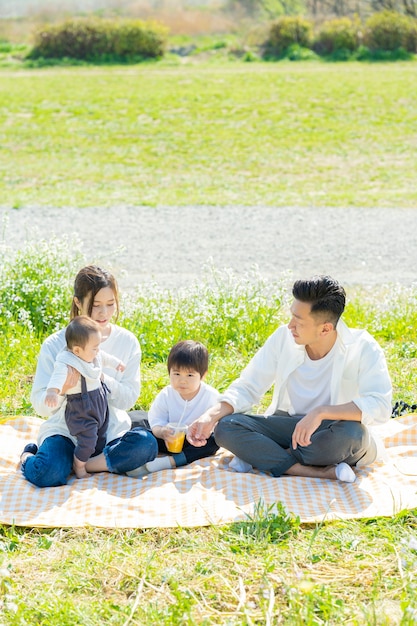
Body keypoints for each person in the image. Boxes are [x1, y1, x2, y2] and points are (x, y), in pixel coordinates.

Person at [187, 275, 392, 483]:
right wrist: (210, 416)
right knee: (226, 426)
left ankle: (263, 455)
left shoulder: (362, 346)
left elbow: (380, 406)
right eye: (292, 316)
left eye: (299, 322)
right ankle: (312, 470)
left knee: (353, 435)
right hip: (290, 428)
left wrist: (321, 413)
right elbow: (248, 385)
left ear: (325, 329)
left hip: (332, 433)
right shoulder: (283, 338)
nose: (290, 326)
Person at [21, 265, 158, 487]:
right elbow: (40, 405)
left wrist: (100, 378)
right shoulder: (56, 345)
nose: (104, 313)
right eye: (96, 306)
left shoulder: (127, 342)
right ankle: (29, 456)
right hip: (66, 433)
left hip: (109, 432)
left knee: (146, 444)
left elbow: (128, 399)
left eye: (110, 304)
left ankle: (85, 464)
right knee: (47, 473)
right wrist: (63, 390)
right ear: (78, 303)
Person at [45, 316, 126, 479]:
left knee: (98, 438)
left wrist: (116, 363)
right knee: (88, 440)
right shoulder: (68, 362)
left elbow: (105, 357)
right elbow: (58, 376)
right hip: (81, 410)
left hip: (99, 406)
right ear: (77, 351)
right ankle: (80, 466)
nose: (98, 352)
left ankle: (87, 458)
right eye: (94, 348)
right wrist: (52, 391)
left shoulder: (94, 356)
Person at [127, 340, 219, 477]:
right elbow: (156, 420)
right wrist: (162, 432)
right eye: (176, 374)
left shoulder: (211, 396)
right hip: (167, 439)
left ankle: (170, 462)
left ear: (203, 375)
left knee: (212, 442)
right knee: (142, 434)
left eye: (189, 375)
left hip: (193, 443)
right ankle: (134, 459)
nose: (182, 381)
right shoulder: (167, 394)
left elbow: (216, 421)